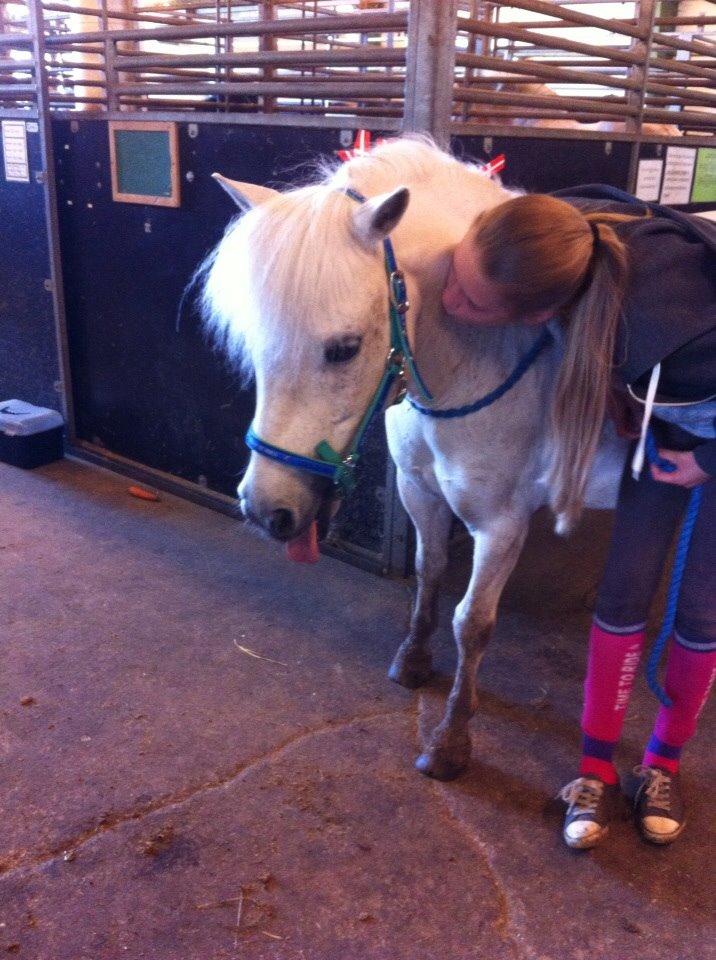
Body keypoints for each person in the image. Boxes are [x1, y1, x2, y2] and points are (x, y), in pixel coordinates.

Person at [441, 185, 715, 849]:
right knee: (621, 591)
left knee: (703, 610)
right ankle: (594, 767)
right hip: (667, 421)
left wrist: (707, 458)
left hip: (704, 429)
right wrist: (627, 389)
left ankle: (662, 765)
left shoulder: (672, 334)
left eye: (472, 302)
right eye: (455, 275)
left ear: (538, 314)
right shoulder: (560, 230)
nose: (451, 300)